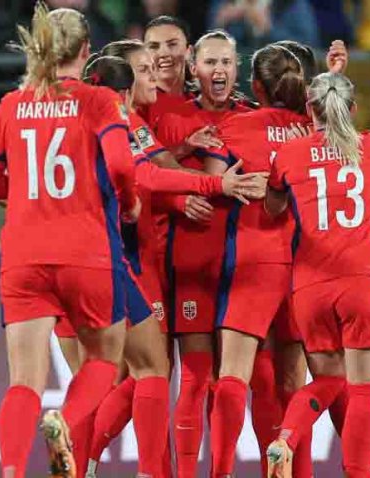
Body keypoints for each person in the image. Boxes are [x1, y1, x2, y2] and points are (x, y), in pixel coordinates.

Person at [80, 48, 266, 478]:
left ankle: (88, 459)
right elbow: (147, 175)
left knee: (126, 371)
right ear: (122, 88)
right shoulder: (120, 121)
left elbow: (150, 164)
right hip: (125, 260)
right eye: (144, 71)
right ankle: (118, 463)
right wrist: (214, 183)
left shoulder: (132, 124)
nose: (155, 77)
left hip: (109, 258)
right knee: (148, 371)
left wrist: (183, 150)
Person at [0, 3, 138, 476]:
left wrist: (21, 193)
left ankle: (11, 473)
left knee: (23, 380)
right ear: (86, 52)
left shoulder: (10, 104)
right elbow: (123, 165)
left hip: (23, 255)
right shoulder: (98, 100)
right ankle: (64, 420)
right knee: (104, 360)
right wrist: (129, 203)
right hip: (86, 251)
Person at [264, 72, 370, 478]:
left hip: (310, 286)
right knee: (362, 391)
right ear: (351, 109)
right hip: (359, 278)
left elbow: (273, 207)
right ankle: (359, 473)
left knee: (327, 383)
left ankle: (285, 438)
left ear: (308, 110)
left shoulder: (290, 154)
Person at [198, 44, 309, 478]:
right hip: (304, 265)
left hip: (253, 260)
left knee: (233, 376)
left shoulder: (236, 127)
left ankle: (221, 472)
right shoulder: (313, 128)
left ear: (256, 86)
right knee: (291, 387)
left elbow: (211, 182)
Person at [152, 29, 253, 478]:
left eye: (227, 63)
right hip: (192, 256)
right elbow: (144, 165)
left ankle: (223, 471)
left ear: (237, 68)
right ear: (195, 67)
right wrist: (178, 199)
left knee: (233, 382)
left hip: (245, 265)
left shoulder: (254, 116)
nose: (219, 71)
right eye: (210, 63)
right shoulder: (172, 115)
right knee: (195, 375)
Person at [207, 0, 320, 50]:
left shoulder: (291, 4)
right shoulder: (225, 3)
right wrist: (220, 23)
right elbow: (206, 43)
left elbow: (310, 47)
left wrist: (269, 30)